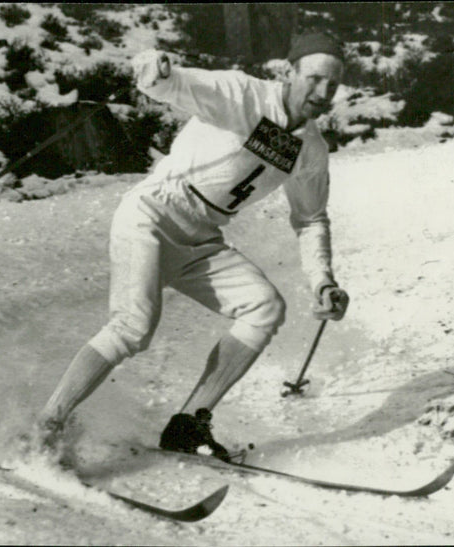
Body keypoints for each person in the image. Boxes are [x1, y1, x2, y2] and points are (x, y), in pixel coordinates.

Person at [37, 32, 350, 461]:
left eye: (333, 85)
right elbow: (177, 84)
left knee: (264, 307)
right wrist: (155, 68)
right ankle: (45, 428)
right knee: (133, 328)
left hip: (201, 235)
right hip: (152, 213)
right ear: (289, 72)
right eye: (314, 79)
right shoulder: (244, 95)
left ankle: (187, 424)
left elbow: (311, 218)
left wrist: (322, 281)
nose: (322, 92)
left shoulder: (309, 149)